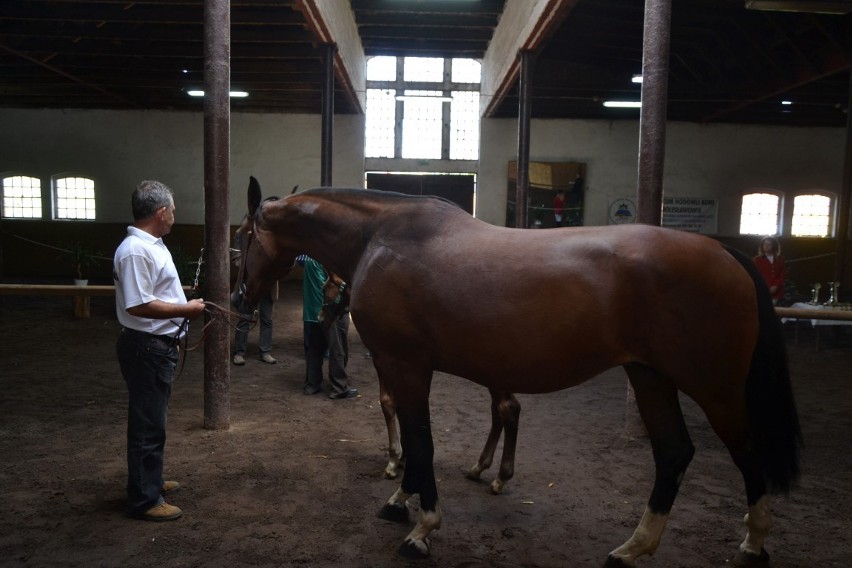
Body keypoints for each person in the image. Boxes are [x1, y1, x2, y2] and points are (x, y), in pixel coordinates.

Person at [113, 180, 206, 522]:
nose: (174, 217)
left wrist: (179, 293)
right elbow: (139, 305)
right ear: (161, 212)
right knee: (148, 424)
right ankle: (143, 500)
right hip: (148, 347)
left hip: (154, 347)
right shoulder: (137, 250)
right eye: (174, 211)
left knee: (153, 421)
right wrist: (186, 310)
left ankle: (149, 481)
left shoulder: (151, 245)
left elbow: (150, 290)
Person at [297, 254, 358, 399]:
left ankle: (312, 385)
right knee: (337, 349)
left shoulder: (309, 258)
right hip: (330, 312)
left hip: (311, 313)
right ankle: (339, 387)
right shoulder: (328, 259)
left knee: (314, 350)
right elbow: (333, 287)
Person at [232, 284, 277, 366]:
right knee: (245, 318)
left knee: (267, 320)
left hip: (267, 287)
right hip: (249, 286)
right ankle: (239, 353)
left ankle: (265, 352)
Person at [754, 236, 787, 305]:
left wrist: (776, 286)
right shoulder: (757, 260)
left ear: (774, 246)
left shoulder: (780, 259)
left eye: (769, 244)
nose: (766, 246)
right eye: (765, 244)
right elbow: (756, 275)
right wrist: (767, 287)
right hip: (762, 291)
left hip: (777, 292)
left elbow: (782, 274)